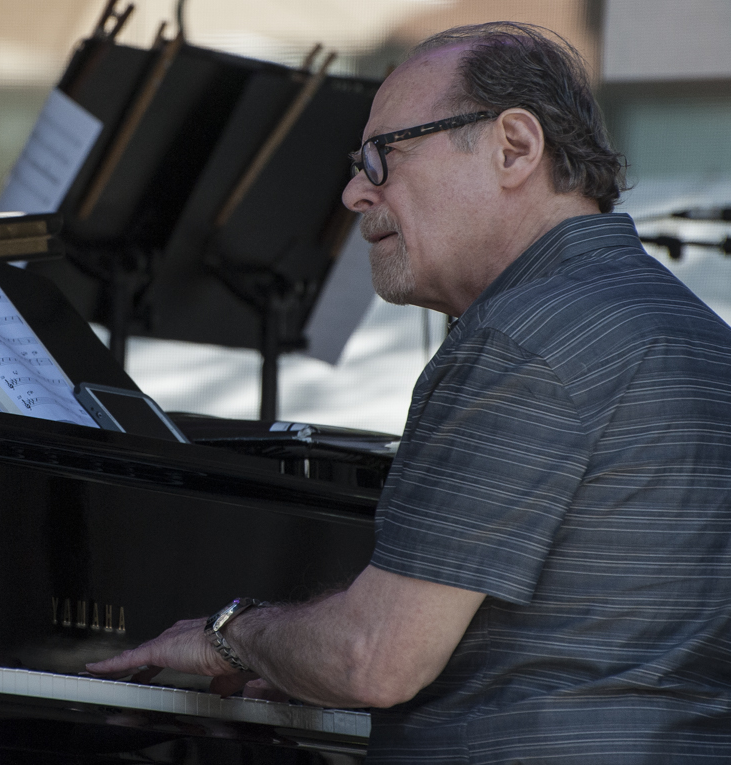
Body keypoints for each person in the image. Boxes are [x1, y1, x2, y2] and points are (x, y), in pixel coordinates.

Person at [88, 21, 731, 762]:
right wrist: (295, 656)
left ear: (514, 148)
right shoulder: (702, 336)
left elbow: (376, 658)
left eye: (381, 156)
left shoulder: (519, 337)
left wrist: (229, 635)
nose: (356, 193)